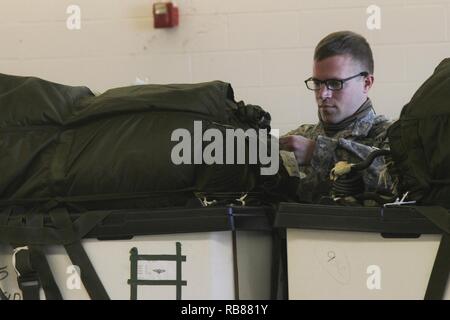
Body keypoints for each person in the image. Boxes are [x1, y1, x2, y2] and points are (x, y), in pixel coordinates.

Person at [279, 31, 393, 204]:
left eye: (335, 83)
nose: (323, 94)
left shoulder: (392, 137)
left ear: (366, 83)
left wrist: (318, 153)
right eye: (317, 83)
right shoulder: (300, 138)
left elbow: (395, 178)